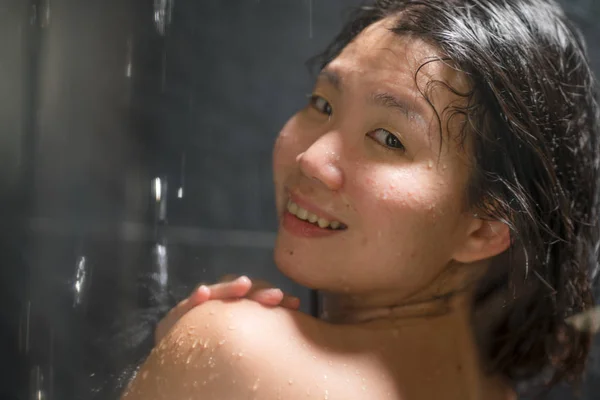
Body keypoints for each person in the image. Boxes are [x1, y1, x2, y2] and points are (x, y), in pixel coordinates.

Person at [122, 0, 600, 398]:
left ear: (485, 228)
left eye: (389, 139)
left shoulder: (235, 348)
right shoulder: (498, 392)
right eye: (323, 105)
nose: (311, 158)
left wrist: (195, 357)